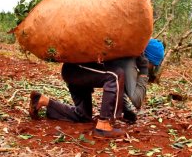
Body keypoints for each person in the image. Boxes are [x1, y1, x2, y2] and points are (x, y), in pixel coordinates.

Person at [28, 38, 165, 138]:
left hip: (75, 71)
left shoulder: (125, 56)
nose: (151, 68)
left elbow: (120, 88)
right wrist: (144, 73)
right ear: (148, 59)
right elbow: (137, 100)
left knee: (83, 115)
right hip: (76, 70)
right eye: (152, 65)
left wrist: (126, 109)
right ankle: (104, 125)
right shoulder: (129, 61)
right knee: (115, 75)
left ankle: (42, 101)